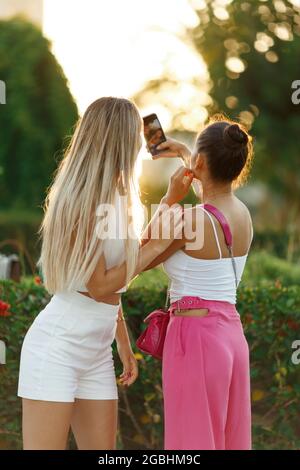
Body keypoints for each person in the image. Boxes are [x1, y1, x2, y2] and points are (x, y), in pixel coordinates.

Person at [17, 97, 187, 450]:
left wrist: (122, 343)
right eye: (134, 139)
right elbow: (99, 286)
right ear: (117, 141)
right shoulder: (84, 201)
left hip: (96, 352)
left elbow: (122, 270)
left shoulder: (120, 198)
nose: (141, 146)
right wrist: (156, 247)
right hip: (57, 348)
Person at [143, 114, 254, 450]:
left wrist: (168, 200)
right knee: (227, 440)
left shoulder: (188, 220)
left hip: (195, 341)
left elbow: (141, 252)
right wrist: (184, 153)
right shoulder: (243, 214)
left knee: (190, 445)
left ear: (200, 163)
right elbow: (212, 194)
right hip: (231, 338)